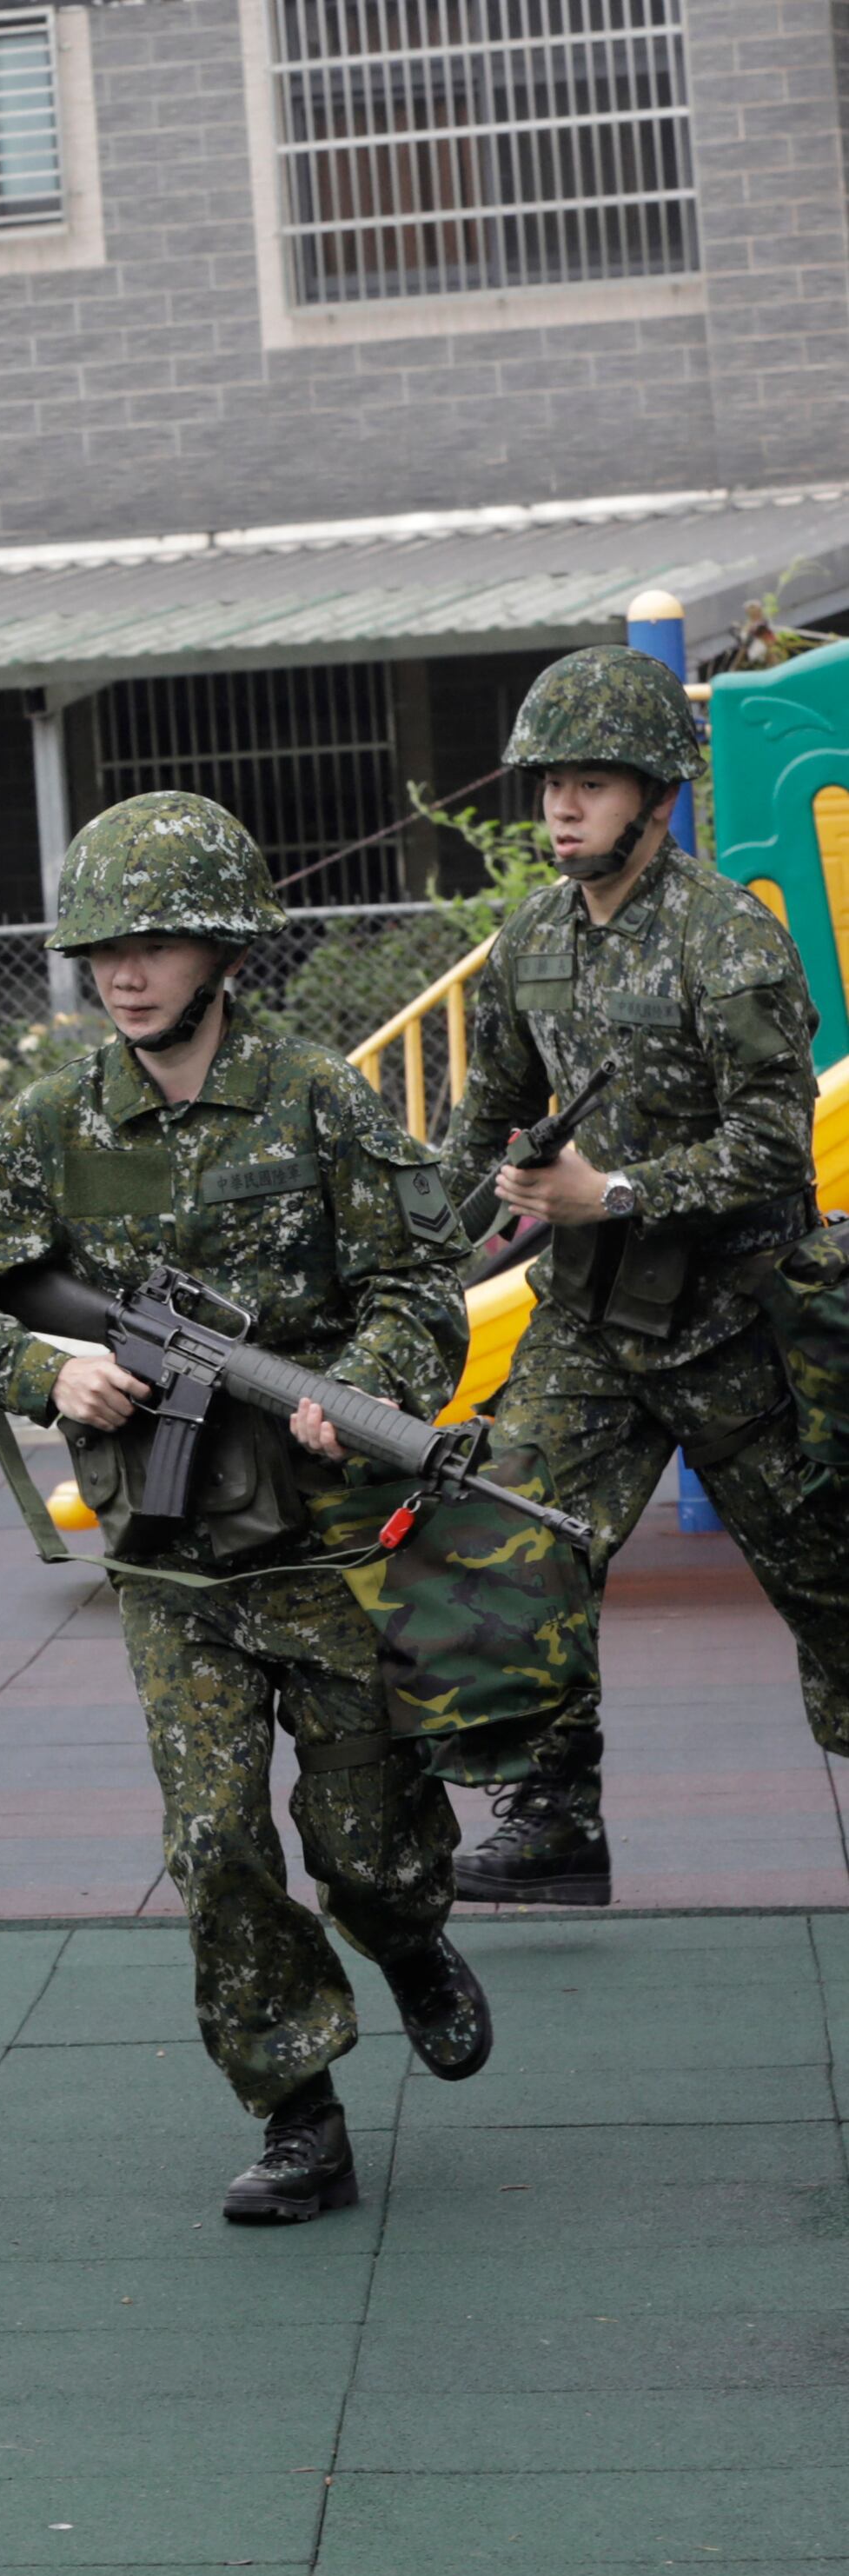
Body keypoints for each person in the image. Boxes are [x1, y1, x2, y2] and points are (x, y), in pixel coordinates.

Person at [0, 793, 495, 2224]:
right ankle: (297, 2107)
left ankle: (407, 1935)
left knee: (369, 1845)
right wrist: (47, 1366)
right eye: (102, 945)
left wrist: (352, 1385)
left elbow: (424, 1281)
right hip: (172, 1564)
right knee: (216, 1843)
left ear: (222, 946)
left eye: (154, 940)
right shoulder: (55, 1120)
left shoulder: (316, 1097)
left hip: (328, 1540)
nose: (125, 971)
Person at [432, 645, 849, 1906]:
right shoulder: (529, 946)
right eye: (552, 781)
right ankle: (555, 1816)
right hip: (599, 1317)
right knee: (511, 1539)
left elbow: (778, 1142)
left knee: (833, 1574)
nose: (563, 805)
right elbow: (483, 1120)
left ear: (658, 798)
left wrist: (612, 1191)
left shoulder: (728, 941)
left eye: (594, 783)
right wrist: (418, 1253)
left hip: (745, 1315)